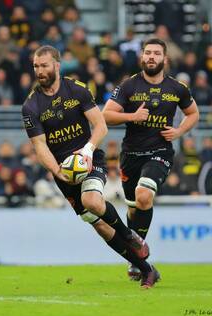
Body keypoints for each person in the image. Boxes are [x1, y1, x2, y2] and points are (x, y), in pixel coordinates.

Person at [22, 45, 160, 289]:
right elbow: (40, 147)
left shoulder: (76, 89)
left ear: (56, 65)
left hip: (90, 159)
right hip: (63, 172)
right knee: (101, 227)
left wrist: (86, 151)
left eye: (44, 65)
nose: (39, 70)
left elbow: (101, 126)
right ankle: (146, 269)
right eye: (35, 66)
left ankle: (131, 236)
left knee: (92, 201)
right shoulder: (31, 106)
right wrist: (58, 171)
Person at [102, 38, 199, 280]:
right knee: (134, 210)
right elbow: (105, 116)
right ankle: (136, 260)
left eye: (156, 53)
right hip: (130, 156)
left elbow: (193, 113)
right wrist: (132, 116)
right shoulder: (128, 86)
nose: (151, 57)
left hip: (160, 153)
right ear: (142, 57)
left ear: (165, 59)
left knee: (144, 195)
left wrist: (179, 132)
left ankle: (137, 256)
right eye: (148, 53)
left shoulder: (177, 88)